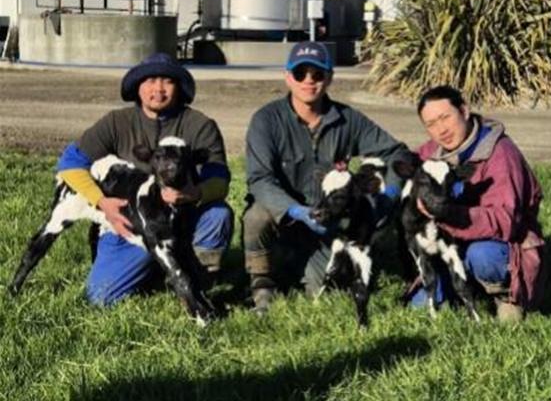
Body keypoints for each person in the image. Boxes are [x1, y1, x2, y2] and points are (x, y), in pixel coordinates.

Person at [56, 52, 233, 306]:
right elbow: (70, 164)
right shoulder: (116, 123)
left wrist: (194, 193)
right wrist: (101, 202)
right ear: (137, 87)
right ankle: (155, 270)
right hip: (130, 226)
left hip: (182, 221)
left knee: (217, 215)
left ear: (179, 87)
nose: (158, 89)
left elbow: (219, 179)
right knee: (100, 298)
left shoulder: (200, 125)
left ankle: (198, 285)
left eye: (167, 81)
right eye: (149, 81)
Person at [243, 41, 407, 313]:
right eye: (300, 74)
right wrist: (296, 211)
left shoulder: (347, 119)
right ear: (288, 77)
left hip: (328, 225)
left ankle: (296, 268)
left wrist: (389, 193)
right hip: (284, 218)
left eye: (317, 74)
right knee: (256, 216)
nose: (309, 81)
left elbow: (396, 152)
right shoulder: (266, 120)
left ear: (330, 77)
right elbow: (259, 179)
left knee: (326, 293)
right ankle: (262, 284)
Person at [410, 85, 546, 322]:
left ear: (464, 111)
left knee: (483, 256)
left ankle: (506, 294)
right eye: (431, 124)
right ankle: (465, 286)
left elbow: (505, 221)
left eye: (445, 117)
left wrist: (450, 214)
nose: (441, 130)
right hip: (452, 247)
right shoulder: (434, 152)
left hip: (503, 243)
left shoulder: (500, 153)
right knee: (420, 307)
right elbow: (404, 163)